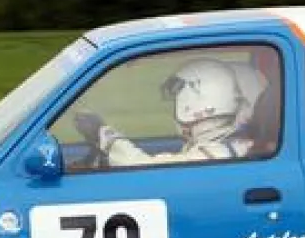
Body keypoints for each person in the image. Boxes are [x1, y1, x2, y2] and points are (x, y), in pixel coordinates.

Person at [72, 57, 268, 167]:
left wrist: (104, 135)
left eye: (178, 97)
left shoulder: (216, 154)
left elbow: (144, 168)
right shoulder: (226, 145)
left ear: (197, 100)